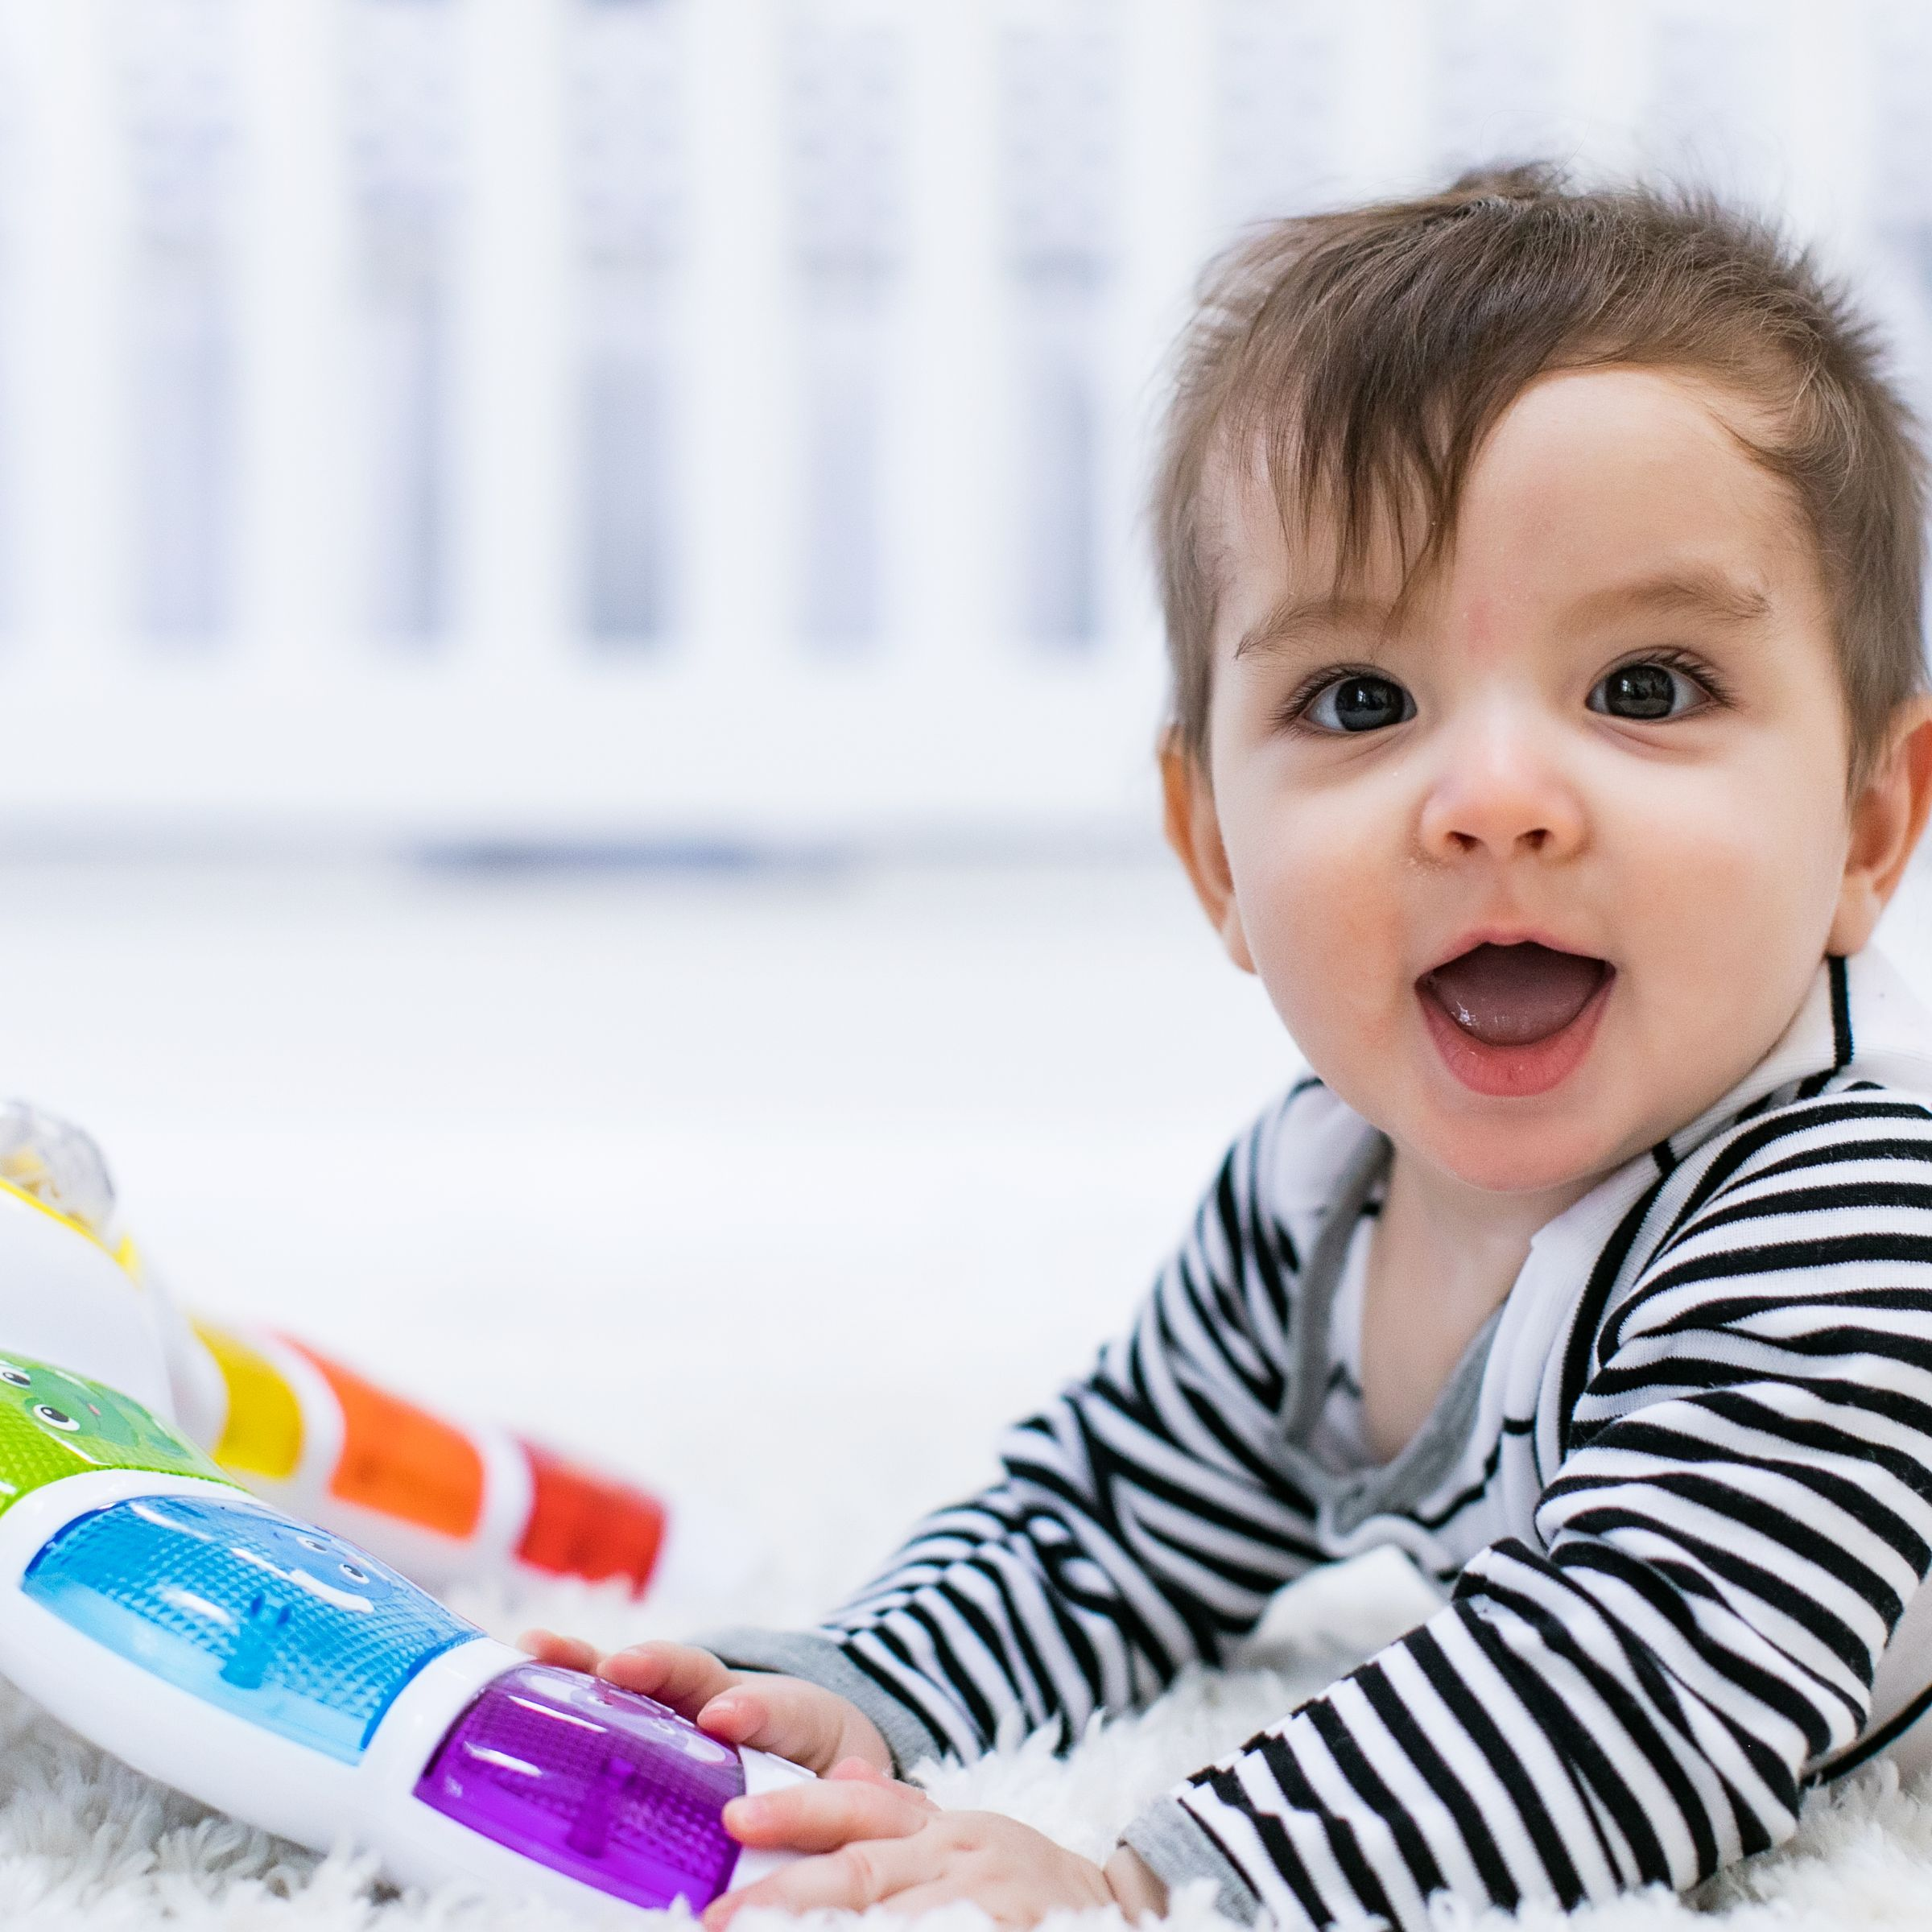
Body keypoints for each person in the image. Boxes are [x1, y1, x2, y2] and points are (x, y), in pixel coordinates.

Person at [527, 163, 1932, 1929]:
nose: (1494, 801)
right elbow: (1109, 1526)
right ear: (1212, 856)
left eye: (1644, 688)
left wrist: (1158, 1879)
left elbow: (1643, 1699)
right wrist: (862, 1692)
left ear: (1871, 826)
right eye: (1363, 701)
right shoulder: (1320, 1190)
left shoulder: (1847, 1225)